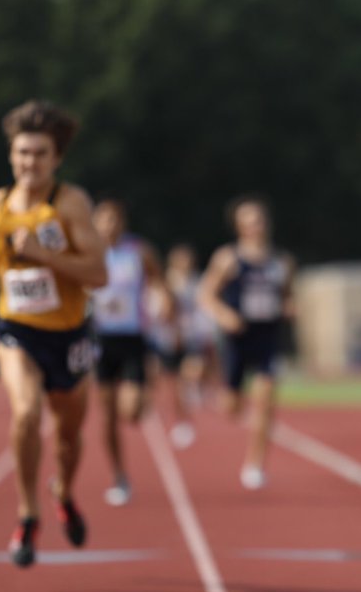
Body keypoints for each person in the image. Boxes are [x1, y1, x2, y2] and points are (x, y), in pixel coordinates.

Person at [0, 99, 108, 568]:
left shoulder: (70, 204)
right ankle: (27, 513)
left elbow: (98, 274)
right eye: (21, 153)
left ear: (56, 159)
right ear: (11, 156)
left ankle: (64, 492)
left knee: (70, 438)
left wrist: (44, 255)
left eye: (38, 154)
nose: (28, 163)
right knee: (26, 411)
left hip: (70, 336)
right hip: (16, 330)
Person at [198, 196, 295, 490]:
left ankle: (255, 464)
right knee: (231, 407)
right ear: (239, 226)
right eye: (249, 221)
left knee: (265, 400)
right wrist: (224, 314)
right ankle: (226, 393)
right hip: (237, 337)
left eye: (259, 220)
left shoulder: (281, 262)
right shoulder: (228, 258)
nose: (256, 226)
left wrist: (290, 307)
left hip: (267, 336)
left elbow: (287, 295)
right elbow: (205, 294)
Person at [90, 199, 168, 506]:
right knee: (107, 415)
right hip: (101, 339)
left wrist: (164, 301)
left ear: (122, 222)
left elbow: (158, 280)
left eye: (114, 219)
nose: (109, 225)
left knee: (131, 411)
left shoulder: (139, 251)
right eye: (103, 219)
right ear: (95, 223)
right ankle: (118, 474)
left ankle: (142, 395)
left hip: (133, 337)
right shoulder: (87, 253)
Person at [148, 243, 216, 449]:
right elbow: (156, 311)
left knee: (193, 370)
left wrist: (205, 331)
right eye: (181, 260)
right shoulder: (164, 283)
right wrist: (165, 310)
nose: (185, 264)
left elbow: (203, 308)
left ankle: (195, 387)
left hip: (190, 337)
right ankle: (181, 419)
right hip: (168, 340)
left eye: (188, 260)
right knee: (173, 385)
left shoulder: (197, 283)